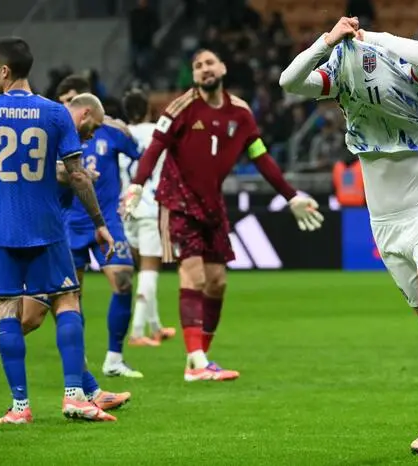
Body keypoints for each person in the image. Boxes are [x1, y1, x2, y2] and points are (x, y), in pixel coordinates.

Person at [279, 17, 418, 459]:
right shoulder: (343, 82)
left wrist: (372, 38)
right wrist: (327, 41)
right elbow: (290, 81)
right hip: (385, 224)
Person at [123, 49, 324, 382]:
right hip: (179, 199)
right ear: (194, 75)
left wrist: (291, 196)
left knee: (217, 283)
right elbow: (157, 145)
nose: (204, 69)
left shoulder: (241, 114)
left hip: (212, 204)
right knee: (195, 277)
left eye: (209, 63)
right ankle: (197, 361)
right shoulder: (182, 107)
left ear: (223, 68)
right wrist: (136, 186)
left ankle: (199, 358)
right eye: (197, 66)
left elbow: (261, 158)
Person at [0, 36, 116, 424]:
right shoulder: (55, 113)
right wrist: (100, 223)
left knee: (8, 311)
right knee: (66, 301)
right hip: (47, 226)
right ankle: (74, 397)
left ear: (6, 70)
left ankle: (19, 407)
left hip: (1, 227)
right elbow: (77, 174)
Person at [0, 115, 130, 416]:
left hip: (20, 232)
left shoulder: (10, 118)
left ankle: (85, 391)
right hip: (41, 234)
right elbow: (58, 172)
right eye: (91, 126)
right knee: (43, 310)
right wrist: (77, 177)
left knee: (40, 312)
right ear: (78, 113)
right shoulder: (54, 125)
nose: (92, 134)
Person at [56, 75, 143, 378]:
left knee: (123, 282)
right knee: (70, 298)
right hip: (69, 224)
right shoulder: (54, 132)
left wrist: (135, 188)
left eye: (72, 99)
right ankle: (78, 366)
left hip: (107, 219)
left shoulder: (113, 129)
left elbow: (142, 158)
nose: (67, 105)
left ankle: (114, 359)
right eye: (63, 100)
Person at [120, 88, 176, 347]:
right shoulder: (159, 131)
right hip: (153, 204)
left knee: (141, 268)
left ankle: (156, 326)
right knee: (150, 268)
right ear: (148, 110)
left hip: (126, 206)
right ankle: (137, 331)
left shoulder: (121, 135)